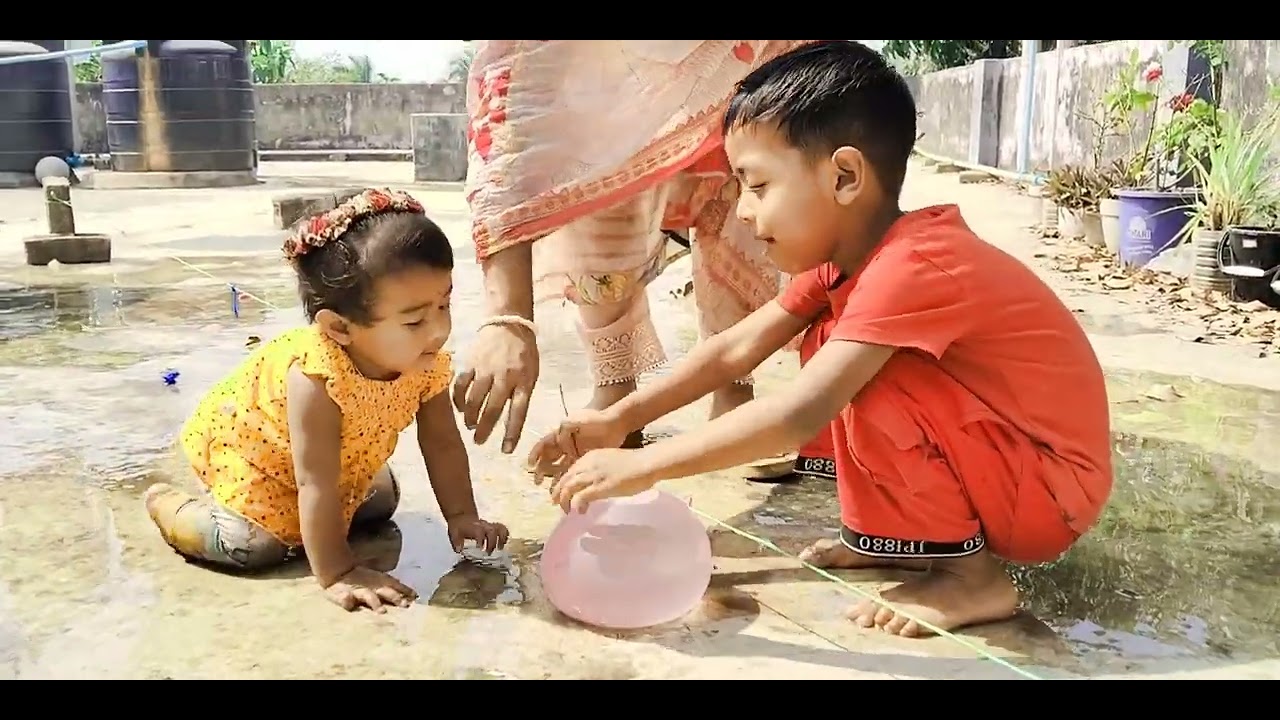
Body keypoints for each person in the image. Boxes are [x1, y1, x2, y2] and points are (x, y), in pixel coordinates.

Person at [527, 41, 1114, 638]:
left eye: (756, 186)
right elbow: (734, 349)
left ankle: (972, 581)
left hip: (1049, 488)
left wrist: (646, 466)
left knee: (863, 374)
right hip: (1009, 467)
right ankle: (902, 543)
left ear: (844, 176)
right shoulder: (847, 260)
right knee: (833, 341)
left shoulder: (914, 264)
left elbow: (796, 414)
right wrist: (618, 418)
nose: (746, 214)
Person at [451, 40, 818, 475]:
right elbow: (515, 112)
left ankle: (734, 387)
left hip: (739, 62)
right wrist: (508, 318)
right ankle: (615, 387)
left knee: (749, 168)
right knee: (595, 180)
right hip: (606, 76)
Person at [143, 188, 510, 614]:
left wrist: (461, 515)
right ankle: (168, 505)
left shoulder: (425, 362)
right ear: (339, 328)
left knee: (381, 503)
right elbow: (313, 481)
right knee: (254, 546)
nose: (438, 330)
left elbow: (442, 442)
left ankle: (329, 518)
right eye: (414, 320)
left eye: (444, 304)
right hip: (264, 462)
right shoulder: (315, 378)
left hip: (337, 463)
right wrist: (338, 571)